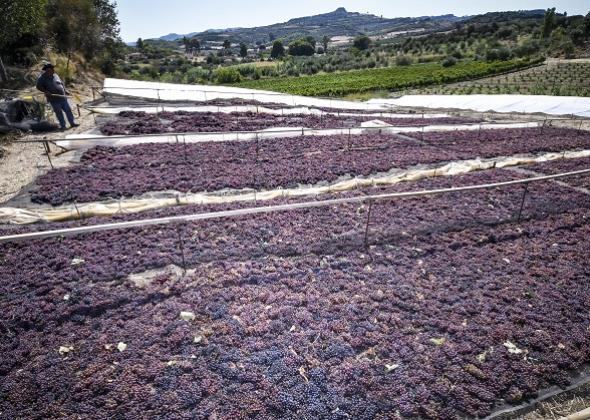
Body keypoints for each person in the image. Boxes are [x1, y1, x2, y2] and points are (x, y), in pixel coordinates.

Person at [36, 63, 79, 130]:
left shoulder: (56, 75)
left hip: (62, 97)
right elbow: (38, 86)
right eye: (50, 70)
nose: (52, 71)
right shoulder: (42, 78)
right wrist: (45, 91)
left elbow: (61, 83)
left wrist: (65, 90)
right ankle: (63, 126)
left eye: (52, 69)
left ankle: (72, 123)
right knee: (59, 113)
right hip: (54, 99)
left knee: (68, 110)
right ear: (46, 70)